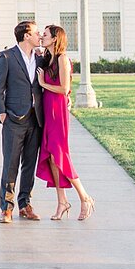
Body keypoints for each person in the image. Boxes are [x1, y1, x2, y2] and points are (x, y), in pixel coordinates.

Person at [35, 24, 95, 221]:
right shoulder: (47, 58)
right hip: (47, 111)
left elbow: (64, 89)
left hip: (57, 112)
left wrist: (44, 84)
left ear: (55, 38)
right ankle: (62, 202)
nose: (42, 37)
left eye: (45, 35)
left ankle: (85, 198)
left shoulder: (62, 59)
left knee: (60, 156)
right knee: (51, 157)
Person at [0, 20, 45, 223]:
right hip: (13, 118)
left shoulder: (39, 58)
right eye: (36, 32)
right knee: (11, 164)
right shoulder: (6, 57)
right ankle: (7, 208)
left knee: (29, 164)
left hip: (35, 118)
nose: (39, 35)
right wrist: (1, 113)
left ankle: (25, 204)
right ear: (26, 36)